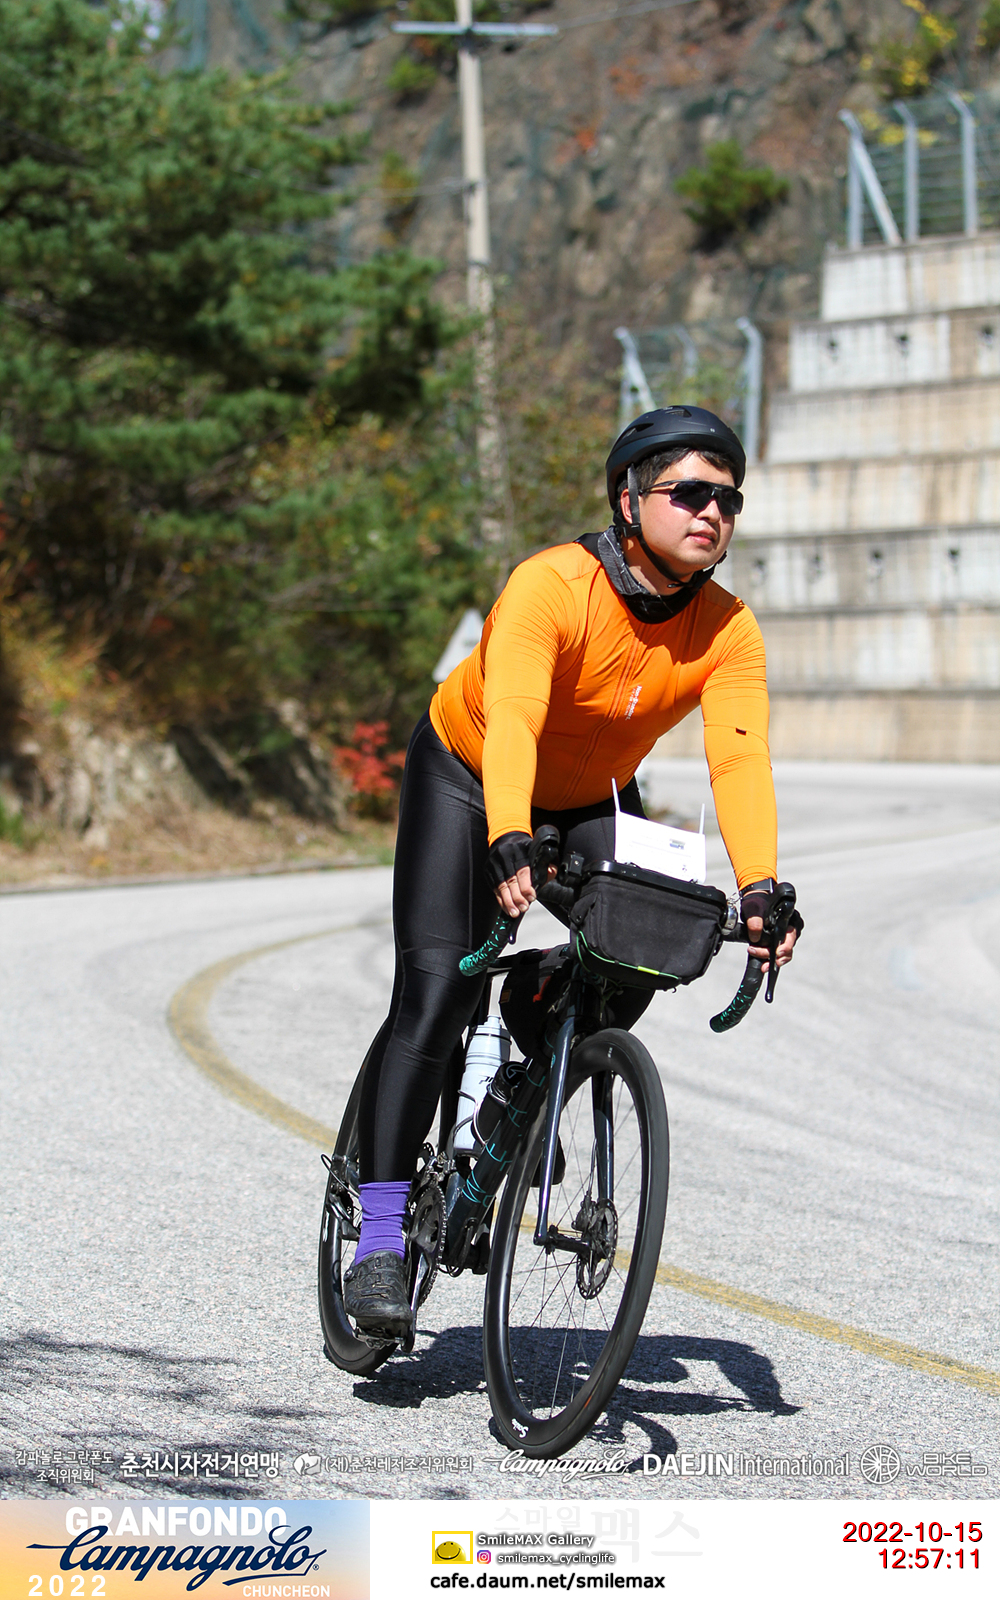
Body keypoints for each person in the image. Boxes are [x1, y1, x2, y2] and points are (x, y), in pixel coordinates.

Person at [343, 404, 799, 1338]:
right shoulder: (552, 584)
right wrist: (510, 831)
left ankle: (522, 1069)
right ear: (629, 499)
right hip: (471, 775)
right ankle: (379, 1239)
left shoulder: (728, 628)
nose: (712, 512)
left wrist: (760, 887)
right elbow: (514, 714)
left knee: (643, 943)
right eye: (690, 493)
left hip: (589, 796)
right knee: (436, 992)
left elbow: (739, 758)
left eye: (728, 499)